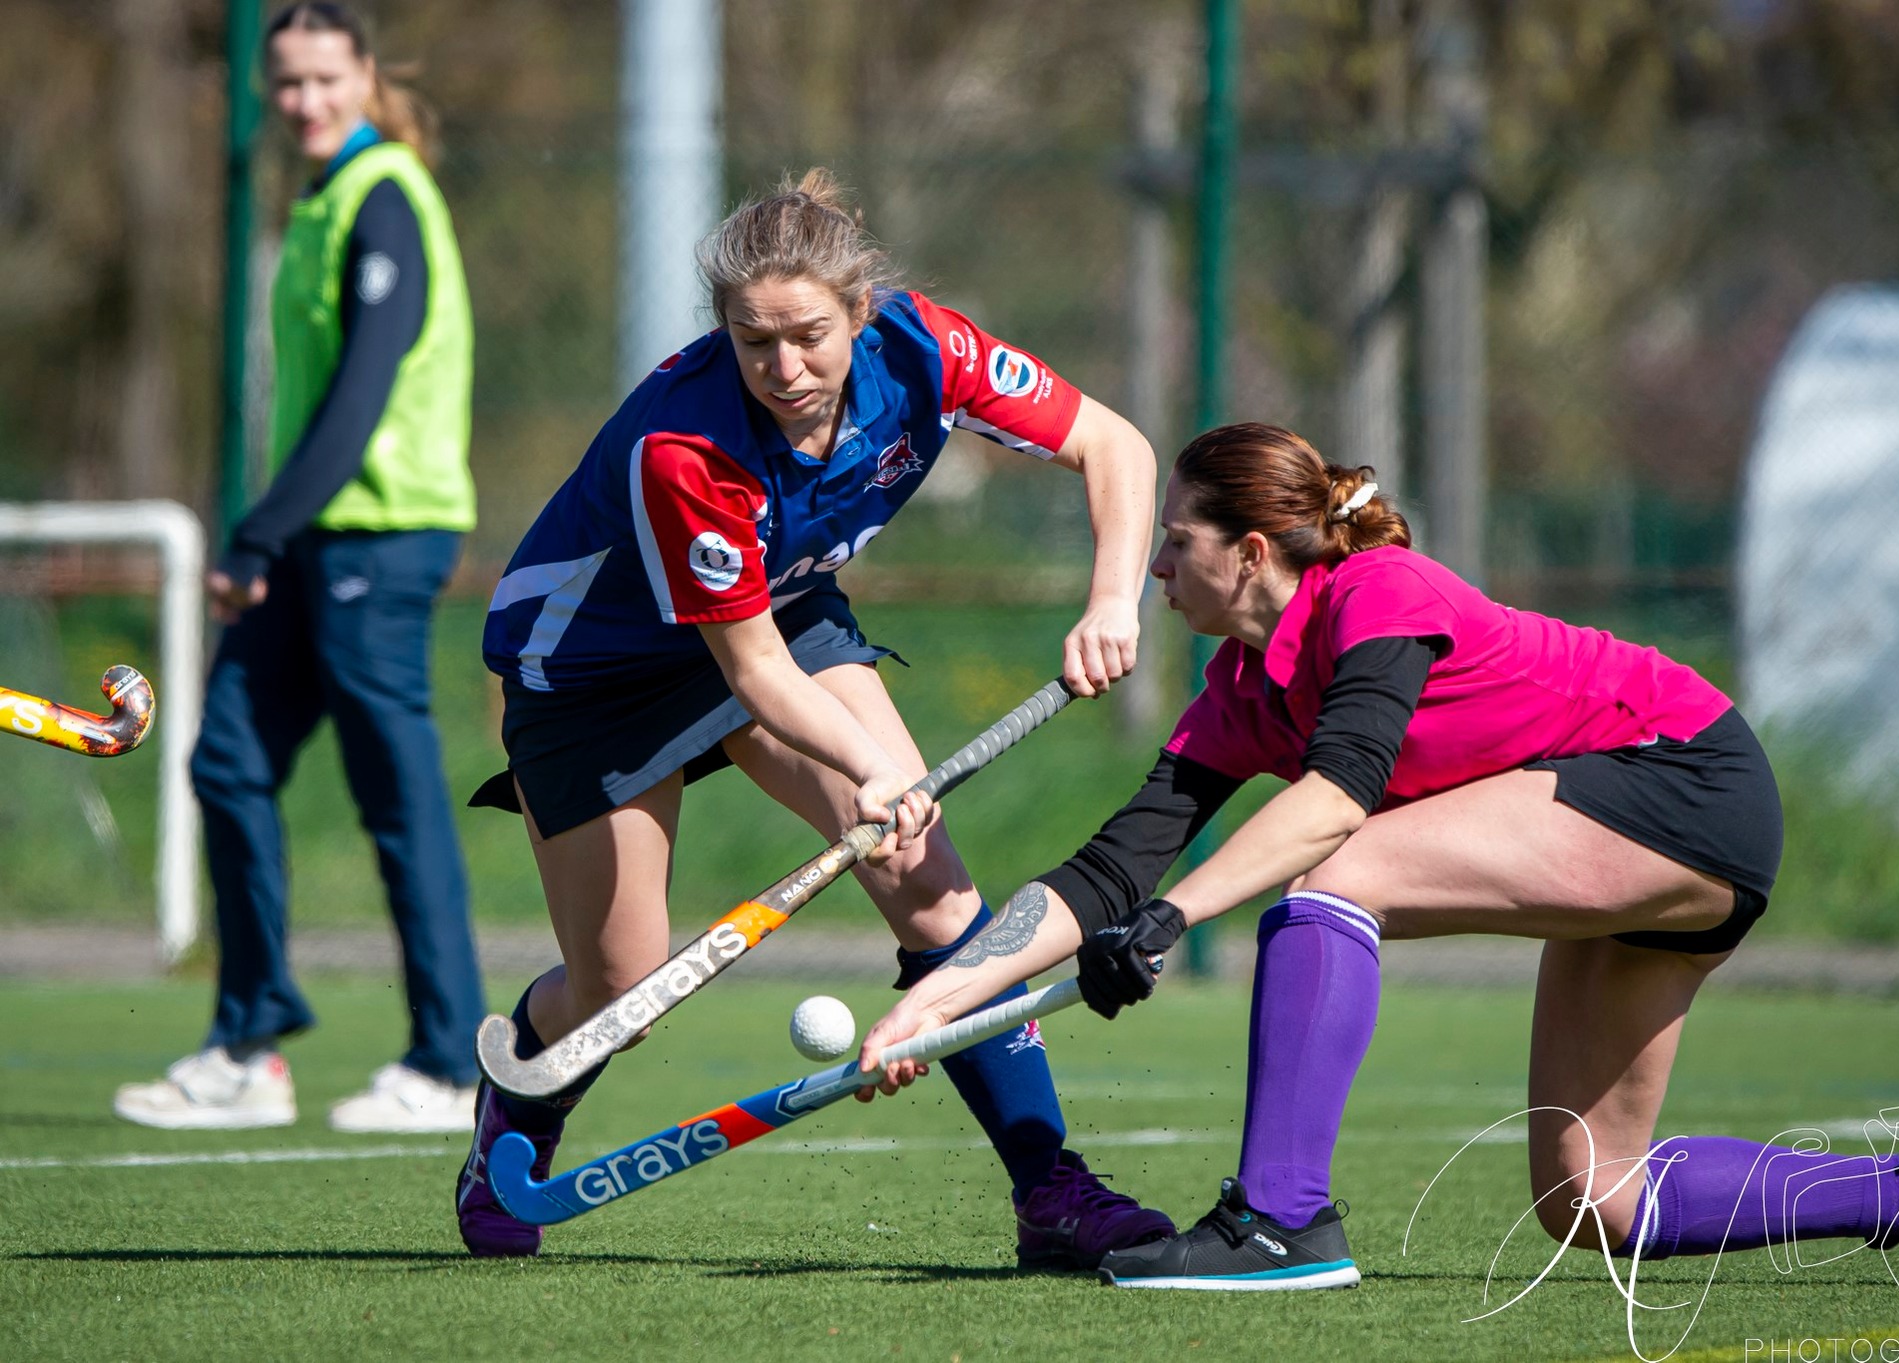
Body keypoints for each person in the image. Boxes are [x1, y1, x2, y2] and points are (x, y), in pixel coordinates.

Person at [859, 421, 1899, 1292]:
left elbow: (1337, 797)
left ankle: (1278, 1223)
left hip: (1684, 779)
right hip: (1617, 825)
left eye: (1175, 540)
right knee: (1594, 1197)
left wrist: (1173, 917)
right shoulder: (1240, 691)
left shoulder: (1378, 594)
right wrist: (940, 998)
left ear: (1248, 552)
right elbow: (1110, 867)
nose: (1155, 566)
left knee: (1333, 875)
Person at [455, 169, 1175, 1267]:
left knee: (932, 886)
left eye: (807, 337)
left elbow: (1113, 445)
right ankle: (518, 1108)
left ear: (860, 311)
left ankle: (1050, 1189)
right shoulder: (688, 450)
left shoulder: (924, 348)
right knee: (622, 987)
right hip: (594, 674)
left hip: (781, 609)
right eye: (754, 343)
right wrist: (872, 767)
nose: (783, 370)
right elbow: (752, 677)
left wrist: (1113, 598)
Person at [115, 2, 486, 1135]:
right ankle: (250, 1040)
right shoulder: (323, 202)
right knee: (227, 758)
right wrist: (280, 532)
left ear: (365, 75)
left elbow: (360, 399)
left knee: (395, 796)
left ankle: (449, 1062)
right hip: (317, 535)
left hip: (383, 535)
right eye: (285, 82)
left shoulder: (386, 197)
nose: (304, 100)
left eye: (325, 77)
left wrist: (256, 534)